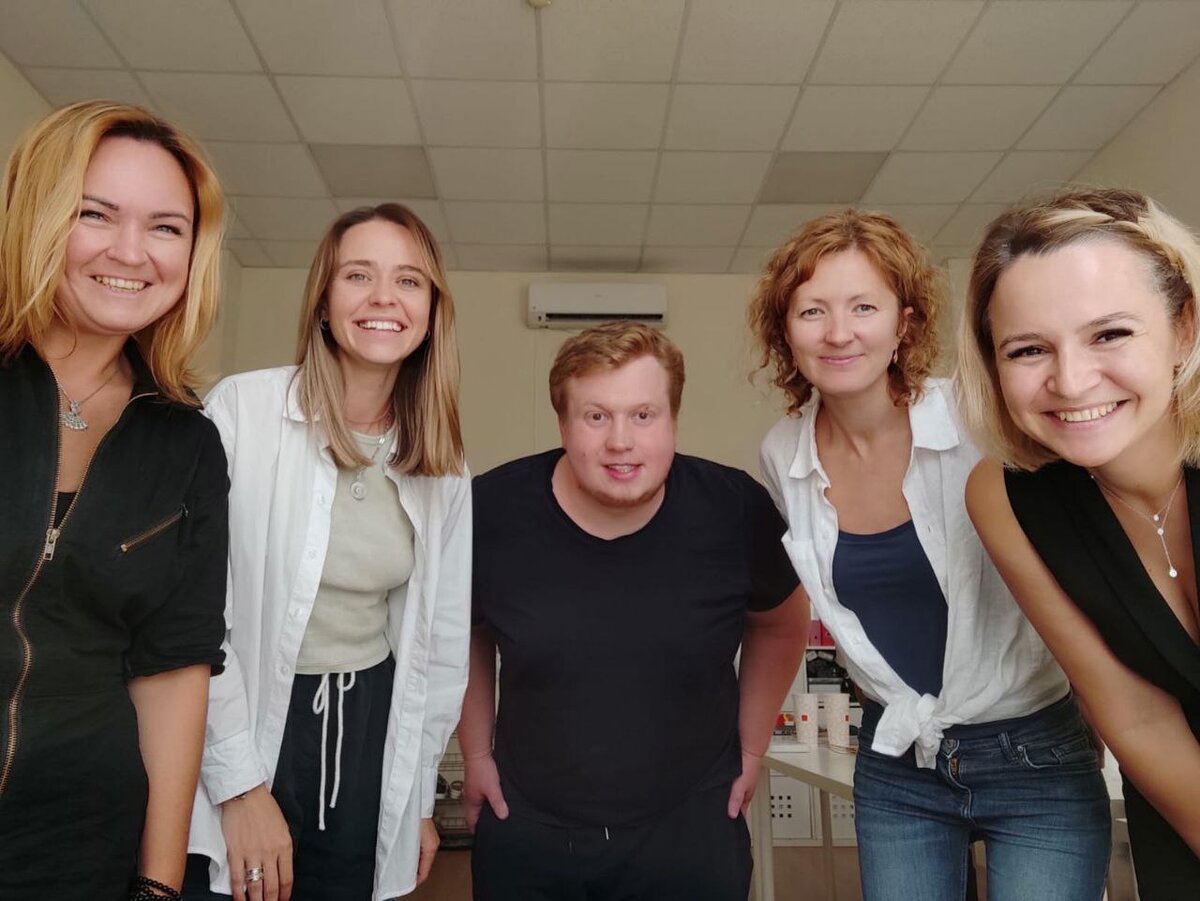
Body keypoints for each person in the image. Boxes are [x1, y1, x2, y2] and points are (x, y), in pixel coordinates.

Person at [749, 210, 1112, 901]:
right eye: (812, 310)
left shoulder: (979, 420)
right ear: (785, 331)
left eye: (864, 307)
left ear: (904, 324)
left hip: (1033, 750)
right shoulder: (781, 452)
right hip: (897, 764)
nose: (838, 332)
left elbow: (1078, 558)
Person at [461, 321, 806, 901]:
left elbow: (779, 623)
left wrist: (751, 748)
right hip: (528, 826)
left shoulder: (734, 509)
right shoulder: (490, 510)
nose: (620, 441)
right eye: (596, 416)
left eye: (643, 415)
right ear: (563, 424)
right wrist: (475, 753)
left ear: (673, 420)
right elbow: (464, 631)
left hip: (691, 830)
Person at [183, 204, 470, 901]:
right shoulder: (241, 411)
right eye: (358, 275)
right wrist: (239, 786)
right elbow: (189, 613)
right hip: (239, 717)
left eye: (409, 281)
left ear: (431, 311)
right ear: (323, 299)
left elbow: (440, 643)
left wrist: (417, 800)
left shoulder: (442, 463)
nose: (384, 298)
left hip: (368, 725)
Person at [0, 100, 229, 900]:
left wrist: (157, 885)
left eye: (166, 227)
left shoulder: (186, 443)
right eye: (94, 214)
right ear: (37, 217)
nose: (131, 252)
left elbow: (172, 671)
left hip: (78, 847)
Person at [959, 187, 1200, 898]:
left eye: (1110, 334)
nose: (1070, 380)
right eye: (1029, 349)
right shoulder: (1006, 496)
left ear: (1184, 328)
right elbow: (1136, 716)